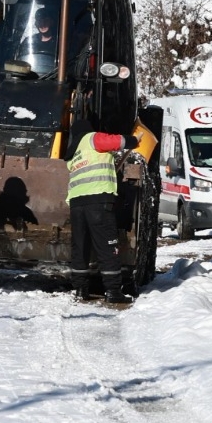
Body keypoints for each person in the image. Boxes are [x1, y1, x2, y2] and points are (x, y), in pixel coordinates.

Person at [65, 118, 141, 305]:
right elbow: (119, 142)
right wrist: (134, 140)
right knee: (107, 246)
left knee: (80, 247)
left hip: (76, 204)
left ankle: (80, 289)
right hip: (98, 201)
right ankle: (113, 291)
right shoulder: (93, 139)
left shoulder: (73, 154)